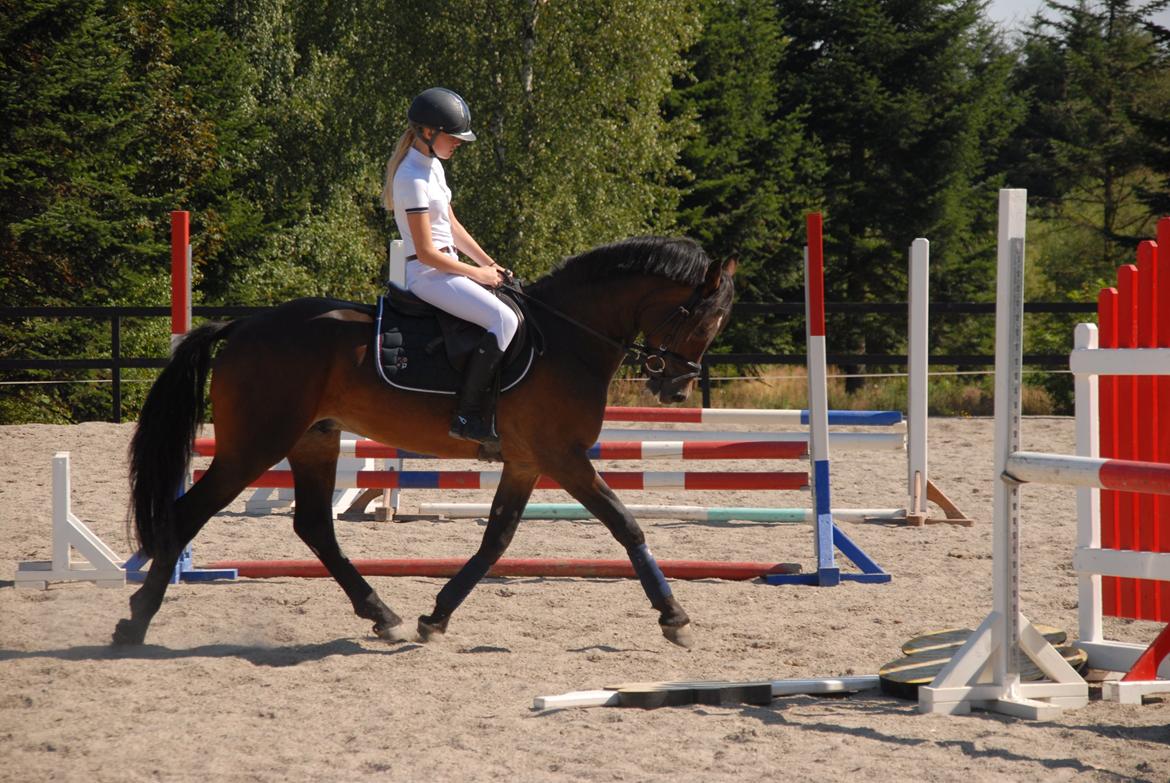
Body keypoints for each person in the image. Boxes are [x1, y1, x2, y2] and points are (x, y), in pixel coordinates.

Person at [381, 87, 517, 446]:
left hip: (446, 267)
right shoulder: (410, 177)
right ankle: (467, 415)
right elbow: (426, 252)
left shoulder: (433, 168)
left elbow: (452, 227)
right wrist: (479, 275)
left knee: (513, 304)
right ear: (428, 133)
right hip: (425, 275)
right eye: (453, 137)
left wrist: (490, 264)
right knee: (504, 320)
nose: (458, 143)